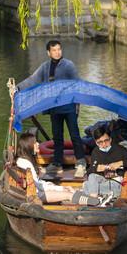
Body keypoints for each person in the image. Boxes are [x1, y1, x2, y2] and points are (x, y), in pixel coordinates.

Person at [17, 40, 87, 179]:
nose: (57, 52)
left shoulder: (68, 65)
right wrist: (17, 88)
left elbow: (77, 84)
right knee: (57, 136)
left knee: (74, 134)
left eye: (59, 49)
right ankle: (57, 163)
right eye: (54, 50)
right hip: (54, 107)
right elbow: (32, 80)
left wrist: (76, 103)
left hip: (69, 106)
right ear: (48, 52)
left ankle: (81, 163)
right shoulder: (45, 67)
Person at [82, 123, 127, 202]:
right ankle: (94, 197)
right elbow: (89, 171)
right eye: (100, 142)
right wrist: (96, 168)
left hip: (115, 182)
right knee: (92, 176)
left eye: (106, 141)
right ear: (96, 143)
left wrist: (120, 163)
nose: (104, 144)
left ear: (110, 139)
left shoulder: (119, 150)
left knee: (87, 186)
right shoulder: (95, 152)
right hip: (102, 181)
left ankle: (92, 196)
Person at [16, 132, 76, 204]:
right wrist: (58, 189)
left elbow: (37, 183)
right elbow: (38, 187)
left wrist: (56, 187)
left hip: (36, 192)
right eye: (35, 142)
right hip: (37, 195)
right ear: (28, 146)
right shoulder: (26, 163)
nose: (38, 144)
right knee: (69, 195)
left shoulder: (22, 160)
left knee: (63, 189)